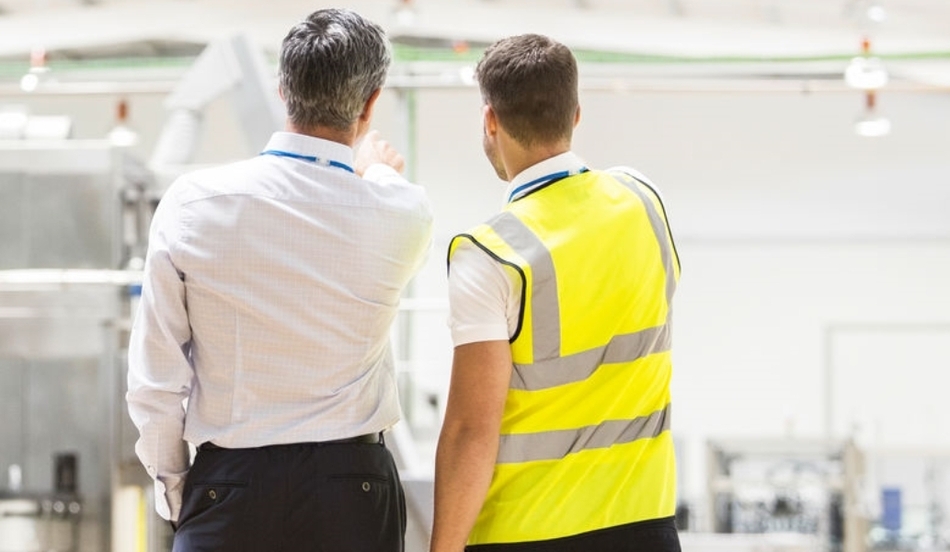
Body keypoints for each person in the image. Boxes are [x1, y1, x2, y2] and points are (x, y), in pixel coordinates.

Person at [126, 8, 432, 552]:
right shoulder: (402, 213)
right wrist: (376, 167)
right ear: (370, 104)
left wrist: (179, 494)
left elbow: (156, 379)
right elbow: (390, 189)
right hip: (353, 491)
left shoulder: (193, 204)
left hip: (230, 487)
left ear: (282, 89)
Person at [431, 33, 682, 552]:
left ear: (490, 121)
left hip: (527, 532)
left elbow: (471, 430)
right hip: (645, 525)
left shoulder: (490, 253)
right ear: (576, 115)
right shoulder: (643, 201)